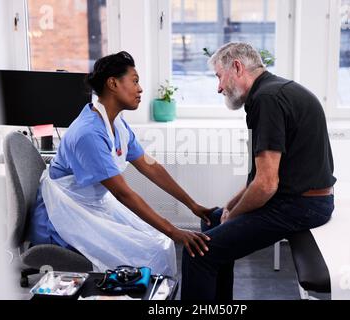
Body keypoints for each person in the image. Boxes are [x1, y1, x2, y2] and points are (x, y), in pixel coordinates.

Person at [28, 51, 215, 276]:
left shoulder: (118, 125)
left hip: (89, 205)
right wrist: (173, 231)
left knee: (155, 244)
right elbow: (123, 194)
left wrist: (191, 205)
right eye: (135, 81)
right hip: (62, 215)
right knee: (150, 250)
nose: (140, 89)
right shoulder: (89, 133)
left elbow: (149, 165)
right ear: (113, 83)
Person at [181, 42, 337, 300]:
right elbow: (262, 177)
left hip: (300, 206)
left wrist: (232, 217)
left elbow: (266, 185)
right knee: (210, 221)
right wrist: (229, 207)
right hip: (299, 199)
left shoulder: (266, 100)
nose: (219, 87)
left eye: (219, 76)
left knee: (196, 252)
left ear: (237, 67)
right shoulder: (274, 90)